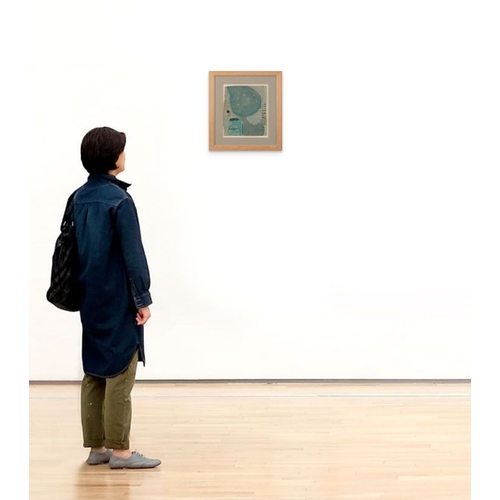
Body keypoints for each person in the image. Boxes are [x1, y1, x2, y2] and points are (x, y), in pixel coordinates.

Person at [72, 126, 161, 469]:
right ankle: (121, 452)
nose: (125, 155)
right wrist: (143, 299)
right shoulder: (120, 200)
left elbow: (69, 249)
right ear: (113, 158)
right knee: (121, 371)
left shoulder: (78, 197)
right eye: (122, 150)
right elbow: (133, 255)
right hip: (119, 298)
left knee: (94, 370)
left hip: (89, 295)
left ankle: (97, 448)